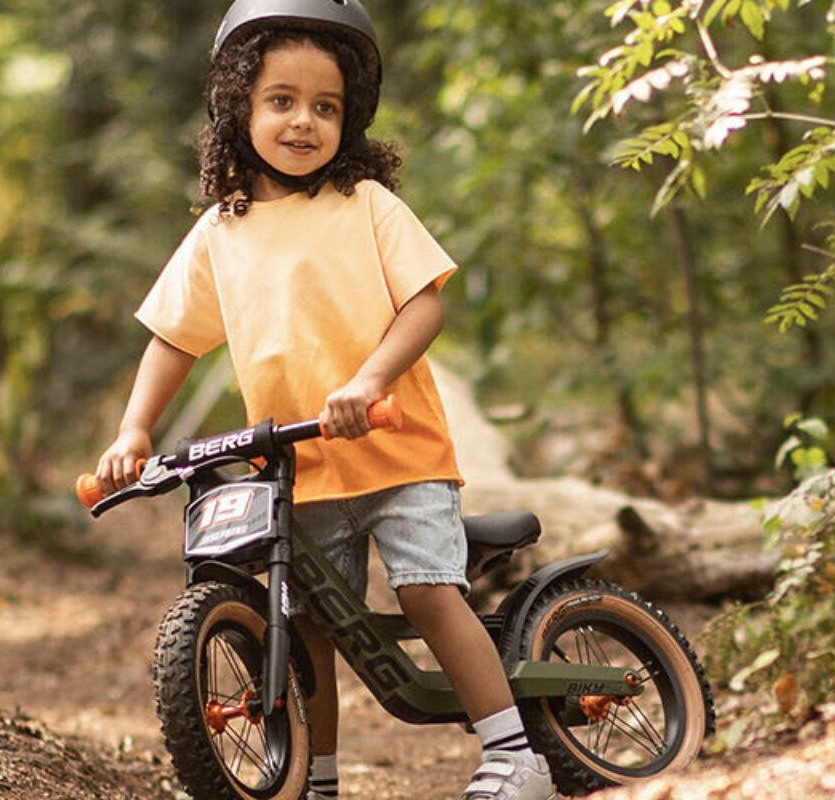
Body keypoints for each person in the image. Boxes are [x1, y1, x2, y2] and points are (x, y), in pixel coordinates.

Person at [93, 2, 556, 798]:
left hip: (395, 447)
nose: (303, 121)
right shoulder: (220, 231)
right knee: (307, 628)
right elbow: (172, 337)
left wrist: (370, 380)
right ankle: (319, 780)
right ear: (240, 106)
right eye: (282, 100)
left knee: (427, 592)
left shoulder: (368, 205)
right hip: (296, 470)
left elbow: (425, 303)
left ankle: (516, 756)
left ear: (352, 118)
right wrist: (135, 429)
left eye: (326, 106)